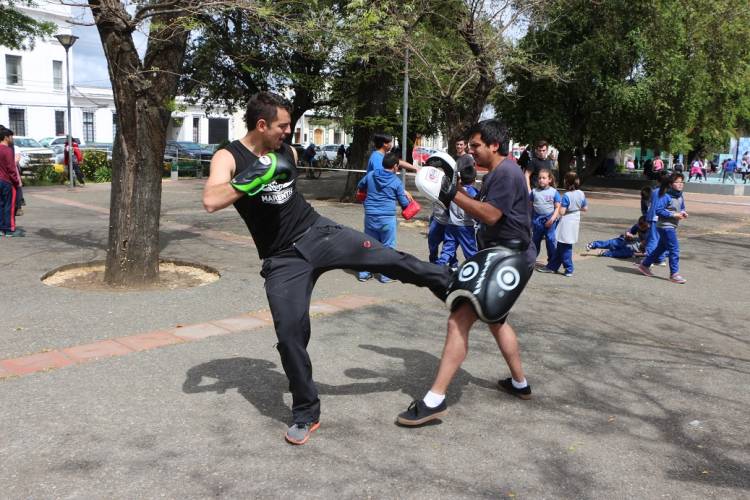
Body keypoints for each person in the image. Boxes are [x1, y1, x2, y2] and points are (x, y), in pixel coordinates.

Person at [202, 92, 451, 445]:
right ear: (262, 125)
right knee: (290, 334)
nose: (289, 132)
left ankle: (447, 282)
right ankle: (306, 410)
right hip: (282, 258)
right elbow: (211, 200)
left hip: (317, 232)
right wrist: (251, 178)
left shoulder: (285, 152)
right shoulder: (229, 156)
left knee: (387, 257)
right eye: (283, 126)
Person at [397, 119, 536, 426]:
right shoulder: (500, 172)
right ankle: (520, 383)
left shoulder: (507, 173)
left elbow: (490, 215)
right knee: (497, 321)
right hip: (507, 254)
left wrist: (450, 194)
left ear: (494, 145)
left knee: (458, 319)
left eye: (476, 146)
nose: (471, 152)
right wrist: (456, 187)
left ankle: (435, 399)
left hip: (508, 256)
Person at [355, 152, 419, 283]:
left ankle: (364, 273)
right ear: (395, 166)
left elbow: (360, 186)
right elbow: (404, 204)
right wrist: (410, 202)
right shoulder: (396, 182)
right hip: (387, 219)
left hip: (370, 216)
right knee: (387, 247)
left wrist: (366, 196)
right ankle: (385, 275)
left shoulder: (371, 175)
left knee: (369, 245)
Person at [638, 172, 688, 284]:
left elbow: (682, 207)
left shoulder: (679, 196)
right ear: (670, 184)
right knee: (674, 249)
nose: (680, 184)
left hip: (672, 226)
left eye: (682, 182)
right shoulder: (666, 196)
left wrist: (683, 212)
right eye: (677, 182)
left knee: (661, 248)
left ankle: (644, 265)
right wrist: (673, 215)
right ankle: (674, 274)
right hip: (665, 226)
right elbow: (659, 210)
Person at [537, 172, 587, 277]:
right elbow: (585, 208)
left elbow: (562, 212)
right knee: (561, 245)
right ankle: (552, 266)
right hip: (575, 220)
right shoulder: (581, 193)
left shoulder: (567, 195)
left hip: (567, 221)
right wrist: (575, 207)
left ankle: (569, 268)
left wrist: (561, 209)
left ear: (567, 182)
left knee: (565, 245)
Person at [435, 164, 479, 268]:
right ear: (474, 179)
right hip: (466, 226)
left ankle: (439, 267)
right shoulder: (474, 193)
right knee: (470, 252)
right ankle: (475, 269)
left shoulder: (454, 191)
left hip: (451, 224)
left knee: (448, 249)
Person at [530, 168, 561, 266]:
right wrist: (529, 220)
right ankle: (531, 259)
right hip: (537, 220)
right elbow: (529, 206)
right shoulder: (534, 192)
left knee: (550, 240)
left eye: (544, 178)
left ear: (549, 180)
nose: (541, 180)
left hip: (550, 220)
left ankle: (552, 262)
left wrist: (552, 219)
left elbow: (557, 207)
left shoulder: (554, 192)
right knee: (535, 240)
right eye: (539, 178)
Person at [0, 127, 22, 237]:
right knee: (10, 206)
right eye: (11, 137)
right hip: (6, 182)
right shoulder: (7, 150)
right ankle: (9, 229)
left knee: (1, 205)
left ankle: (1, 228)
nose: (12, 139)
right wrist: (16, 182)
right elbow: (11, 168)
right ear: (6, 137)